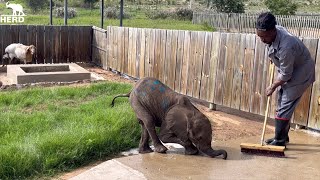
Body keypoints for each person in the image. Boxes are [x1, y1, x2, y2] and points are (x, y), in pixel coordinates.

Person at [255, 12, 316, 146]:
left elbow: (286, 74)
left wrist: (273, 86)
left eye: (265, 37)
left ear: (273, 31)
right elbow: (277, 55)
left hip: (301, 72)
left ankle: (280, 141)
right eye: (260, 36)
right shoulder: (276, 32)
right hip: (291, 67)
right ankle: (282, 136)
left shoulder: (286, 46)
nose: (262, 40)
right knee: (281, 102)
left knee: (285, 105)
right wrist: (274, 58)